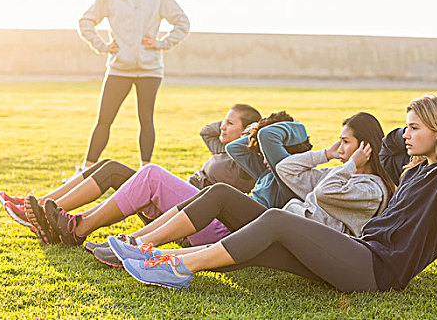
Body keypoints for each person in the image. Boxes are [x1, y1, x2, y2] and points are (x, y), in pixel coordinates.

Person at [108, 94, 437, 292]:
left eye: (415, 128)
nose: (405, 135)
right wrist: (419, 133)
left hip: (379, 269)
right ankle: (153, 255)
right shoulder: (416, 171)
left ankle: (177, 267)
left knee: (276, 220)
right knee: (266, 243)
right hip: (361, 254)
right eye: (406, 127)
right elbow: (385, 144)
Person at [105, 112, 394, 276]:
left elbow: (327, 192)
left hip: (304, 246)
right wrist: (325, 154)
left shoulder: (371, 189)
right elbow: (287, 170)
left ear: (365, 147)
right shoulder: (335, 171)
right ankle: (143, 246)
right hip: (281, 226)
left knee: (246, 227)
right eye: (339, 142)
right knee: (220, 193)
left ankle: (157, 257)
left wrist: (351, 164)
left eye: (345, 143)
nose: (340, 149)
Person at [4, 104, 260, 247]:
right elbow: (206, 131)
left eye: (230, 123)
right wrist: (227, 124)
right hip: (178, 204)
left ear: (247, 131)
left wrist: (252, 134)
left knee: (150, 173)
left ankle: (77, 227)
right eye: (223, 122)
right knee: (111, 167)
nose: (223, 127)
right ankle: (42, 208)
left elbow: (246, 157)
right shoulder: (223, 149)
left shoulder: (247, 162)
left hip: (200, 220)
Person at [87, 111, 313, 267]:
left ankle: (132, 244)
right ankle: (129, 242)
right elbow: (236, 148)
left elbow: (268, 137)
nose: (263, 158)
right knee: (154, 175)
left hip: (232, 234)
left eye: (267, 153)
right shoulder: (267, 173)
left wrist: (277, 129)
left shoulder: (289, 175)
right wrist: (256, 128)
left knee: (153, 174)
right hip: (222, 223)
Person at [76, 0, 190, 174]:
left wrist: (161, 43)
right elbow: (86, 22)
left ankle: (144, 172)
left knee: (146, 119)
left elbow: (183, 23)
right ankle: (85, 170)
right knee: (104, 119)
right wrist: (102, 46)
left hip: (150, 70)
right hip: (119, 68)